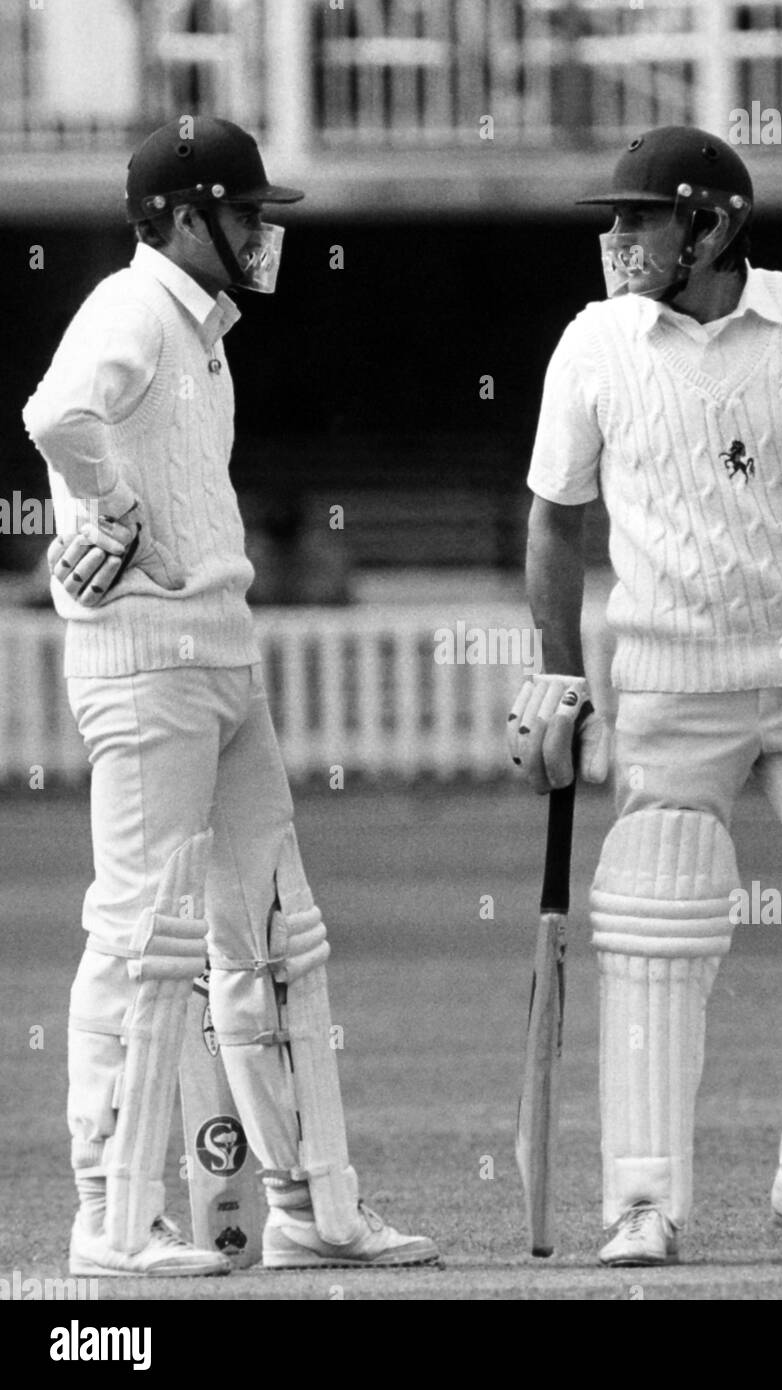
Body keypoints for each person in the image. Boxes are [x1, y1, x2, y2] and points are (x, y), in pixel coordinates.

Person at [508, 126, 782, 1266]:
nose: (616, 239)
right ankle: (645, 1203)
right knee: (658, 934)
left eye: (638, 218)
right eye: (612, 220)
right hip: (668, 682)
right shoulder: (594, 342)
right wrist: (557, 671)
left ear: (708, 225)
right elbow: (554, 524)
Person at [23, 116, 440, 1276]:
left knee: (273, 932)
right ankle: (111, 1222)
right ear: (181, 216)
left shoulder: (203, 334)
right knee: (141, 934)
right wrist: (109, 512)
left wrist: (125, 516)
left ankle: (315, 1208)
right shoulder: (127, 309)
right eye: (247, 212)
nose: (263, 231)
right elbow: (56, 415)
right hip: (146, 660)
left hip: (220, 649)